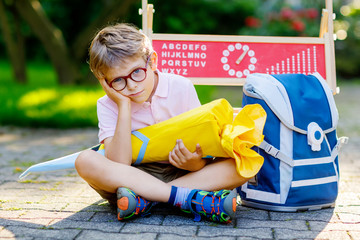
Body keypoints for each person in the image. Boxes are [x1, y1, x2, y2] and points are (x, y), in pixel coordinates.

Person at [75, 23, 249, 223]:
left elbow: (203, 153)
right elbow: (120, 164)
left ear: (152, 61)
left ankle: (146, 201)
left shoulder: (180, 87)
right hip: (133, 175)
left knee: (240, 165)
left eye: (137, 72)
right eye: (118, 81)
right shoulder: (108, 105)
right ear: (105, 82)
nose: (131, 86)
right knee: (85, 160)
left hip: (180, 173)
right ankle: (188, 199)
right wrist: (123, 105)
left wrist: (194, 163)